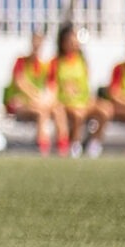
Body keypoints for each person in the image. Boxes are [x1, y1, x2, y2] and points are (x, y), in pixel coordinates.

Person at [4, 28, 67, 157]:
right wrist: (37, 97)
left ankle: (63, 147)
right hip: (20, 104)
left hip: (39, 103)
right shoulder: (21, 62)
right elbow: (19, 83)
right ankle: (43, 147)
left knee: (58, 110)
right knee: (41, 112)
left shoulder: (46, 65)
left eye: (40, 41)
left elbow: (52, 88)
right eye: (35, 41)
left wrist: (44, 100)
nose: (37, 44)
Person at [53, 23, 111, 158]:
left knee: (105, 110)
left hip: (83, 101)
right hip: (66, 102)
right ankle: (74, 144)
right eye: (72, 37)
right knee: (78, 114)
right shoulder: (57, 62)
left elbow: (85, 84)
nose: (75, 41)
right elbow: (54, 86)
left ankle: (94, 143)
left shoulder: (82, 61)